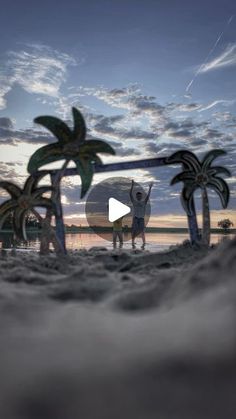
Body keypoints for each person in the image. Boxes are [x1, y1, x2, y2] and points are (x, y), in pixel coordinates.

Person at [130, 180, 153, 249]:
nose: (139, 197)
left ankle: (144, 243)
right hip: (135, 218)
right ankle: (132, 242)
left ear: (141, 196)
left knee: (142, 231)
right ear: (136, 196)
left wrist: (150, 188)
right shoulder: (134, 202)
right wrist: (132, 186)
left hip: (141, 219)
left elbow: (148, 196)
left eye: (140, 196)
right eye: (137, 196)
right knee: (134, 231)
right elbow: (130, 194)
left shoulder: (144, 202)